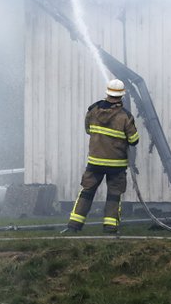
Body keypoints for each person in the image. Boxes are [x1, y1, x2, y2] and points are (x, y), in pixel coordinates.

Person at [62, 79, 139, 234]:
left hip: (95, 162)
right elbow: (133, 140)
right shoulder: (125, 116)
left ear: (107, 93)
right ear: (121, 96)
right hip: (116, 165)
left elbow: (88, 130)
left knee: (87, 192)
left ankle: (73, 226)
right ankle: (110, 228)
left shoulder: (93, 110)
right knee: (113, 195)